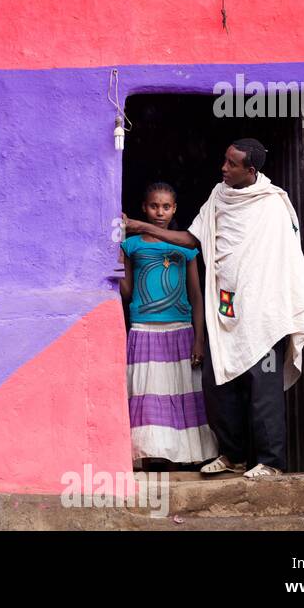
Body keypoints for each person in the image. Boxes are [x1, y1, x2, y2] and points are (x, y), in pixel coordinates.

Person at [123, 138, 304, 478]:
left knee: (263, 390)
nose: (223, 168)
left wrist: (142, 226)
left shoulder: (272, 206)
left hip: (263, 313)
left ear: (251, 170)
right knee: (217, 385)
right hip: (225, 309)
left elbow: (282, 260)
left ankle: (271, 462)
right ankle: (233, 455)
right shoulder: (218, 197)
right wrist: (142, 227)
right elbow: (193, 239)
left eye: (231, 164)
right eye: (224, 160)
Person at [119, 182, 217, 469]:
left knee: (181, 394)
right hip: (144, 328)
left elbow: (197, 296)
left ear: (174, 208)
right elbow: (125, 293)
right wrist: (114, 257)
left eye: (165, 207)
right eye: (153, 206)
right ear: (143, 207)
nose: (159, 211)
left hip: (180, 330)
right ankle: (152, 455)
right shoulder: (131, 245)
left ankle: (184, 456)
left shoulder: (184, 246)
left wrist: (199, 339)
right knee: (148, 394)